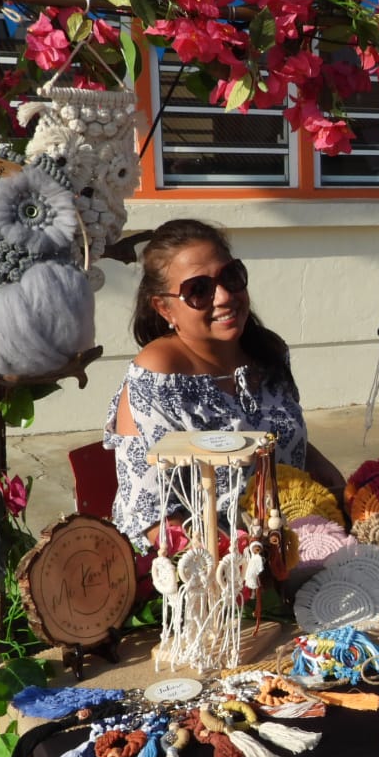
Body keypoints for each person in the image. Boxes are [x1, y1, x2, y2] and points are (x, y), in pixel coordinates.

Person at [104, 218, 346, 549]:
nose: (223, 297)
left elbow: (269, 431)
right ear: (164, 307)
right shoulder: (158, 375)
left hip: (296, 542)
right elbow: (154, 519)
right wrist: (238, 568)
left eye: (231, 277)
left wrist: (316, 464)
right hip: (208, 573)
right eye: (198, 290)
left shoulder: (267, 352)